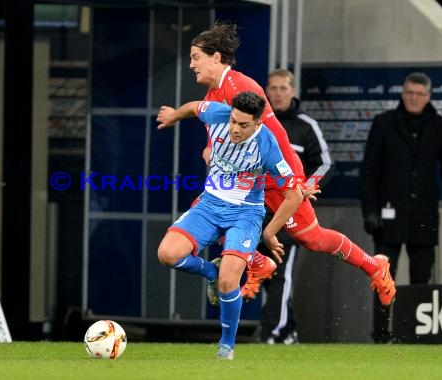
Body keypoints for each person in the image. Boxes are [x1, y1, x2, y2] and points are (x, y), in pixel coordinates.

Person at [157, 21, 397, 319]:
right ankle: (257, 261)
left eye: (196, 57)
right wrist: (190, 131)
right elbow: (203, 115)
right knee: (206, 210)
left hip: (277, 175)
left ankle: (374, 266)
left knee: (314, 238)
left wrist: (294, 183)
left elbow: (276, 137)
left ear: (216, 57)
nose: (191, 64)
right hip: (249, 180)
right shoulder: (213, 94)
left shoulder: (241, 87)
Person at [156, 91, 310, 359]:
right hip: (209, 206)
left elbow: (293, 195)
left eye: (243, 125)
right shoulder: (219, 113)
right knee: (167, 255)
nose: (235, 129)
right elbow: (194, 107)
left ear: (258, 124)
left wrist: (270, 232)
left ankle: (226, 346)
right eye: (234, 122)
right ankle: (210, 273)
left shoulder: (267, 144)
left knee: (230, 281)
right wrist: (173, 115)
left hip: (245, 214)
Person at [361, 71, 442, 343]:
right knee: (383, 278)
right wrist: (370, 211)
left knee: (422, 277)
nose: (413, 98)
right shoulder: (384, 123)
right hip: (387, 217)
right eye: (409, 92)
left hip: (424, 215)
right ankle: (383, 334)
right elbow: (369, 171)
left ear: (428, 96)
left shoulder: (439, 126)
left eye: (419, 93)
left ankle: (416, 335)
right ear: (402, 93)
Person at [256, 69, 334, 345]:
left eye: (283, 88)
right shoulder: (257, 122)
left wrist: (304, 188)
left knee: (280, 274)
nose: (277, 93)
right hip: (258, 213)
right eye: (273, 88)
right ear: (266, 90)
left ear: (293, 91)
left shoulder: (305, 125)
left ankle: (272, 333)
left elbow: (325, 163)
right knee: (264, 272)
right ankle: (287, 329)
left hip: (290, 214)